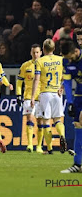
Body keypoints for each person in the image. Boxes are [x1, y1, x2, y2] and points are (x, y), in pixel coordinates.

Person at [31, 39, 66, 154]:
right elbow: (66, 76)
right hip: (57, 93)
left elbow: (36, 80)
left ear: (43, 49)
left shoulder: (39, 61)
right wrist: (62, 87)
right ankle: (62, 136)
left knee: (46, 122)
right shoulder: (61, 60)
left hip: (45, 93)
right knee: (58, 120)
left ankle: (50, 148)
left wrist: (32, 97)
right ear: (54, 48)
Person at [16, 44, 44, 153]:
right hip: (28, 96)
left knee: (40, 121)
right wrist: (18, 94)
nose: (35, 54)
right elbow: (19, 81)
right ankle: (30, 145)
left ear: (41, 52)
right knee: (29, 118)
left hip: (41, 96)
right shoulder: (25, 66)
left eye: (37, 52)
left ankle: (39, 146)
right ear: (30, 53)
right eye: (34, 52)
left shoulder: (44, 65)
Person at [60, 39, 82, 173]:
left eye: (70, 57)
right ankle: (77, 164)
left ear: (76, 51)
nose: (69, 60)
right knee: (77, 125)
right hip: (79, 95)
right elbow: (67, 83)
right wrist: (70, 102)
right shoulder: (66, 61)